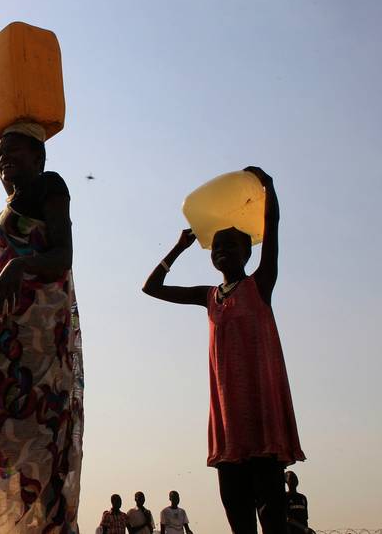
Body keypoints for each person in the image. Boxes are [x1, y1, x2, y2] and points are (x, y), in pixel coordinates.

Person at [142, 166, 305, 534]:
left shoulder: (260, 284)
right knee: (239, 520)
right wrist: (179, 247)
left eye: (231, 245)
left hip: (261, 416)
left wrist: (268, 186)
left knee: (273, 519)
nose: (222, 251)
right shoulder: (208, 296)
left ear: (248, 251)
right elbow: (152, 288)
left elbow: (274, 227)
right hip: (228, 424)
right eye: (216, 246)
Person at [0, 123, 84, 532]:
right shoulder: (2, 214)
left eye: (13, 151)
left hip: (41, 344)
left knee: (42, 449)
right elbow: (0, 280)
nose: (3, 160)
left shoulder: (50, 187)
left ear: (39, 156)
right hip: (5, 339)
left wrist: (19, 266)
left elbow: (62, 256)